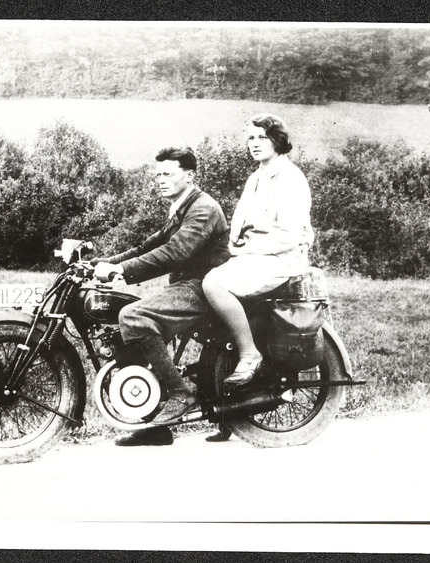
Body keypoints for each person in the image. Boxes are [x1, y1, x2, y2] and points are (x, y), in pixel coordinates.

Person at [93, 147, 230, 446]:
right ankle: (155, 425)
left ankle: (181, 394)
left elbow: (175, 252)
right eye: (158, 175)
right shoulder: (182, 207)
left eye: (168, 173)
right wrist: (101, 264)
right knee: (131, 326)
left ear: (189, 175)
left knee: (133, 316)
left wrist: (121, 271)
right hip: (186, 286)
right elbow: (147, 247)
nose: (160, 180)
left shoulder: (203, 208)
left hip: (204, 288)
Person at [202, 114, 313, 385]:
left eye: (262, 137)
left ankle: (250, 354)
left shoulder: (290, 178)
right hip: (258, 256)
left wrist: (246, 251)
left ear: (278, 140)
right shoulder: (257, 177)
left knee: (213, 284)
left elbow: (289, 237)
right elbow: (241, 224)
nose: (254, 143)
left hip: (281, 260)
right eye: (250, 138)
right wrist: (234, 244)